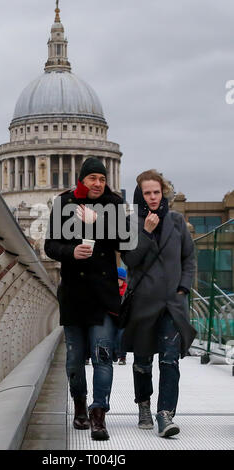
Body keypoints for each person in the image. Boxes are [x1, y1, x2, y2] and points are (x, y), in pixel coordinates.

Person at [44, 157, 124, 441]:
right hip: (75, 296)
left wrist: (98, 222)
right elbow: (50, 246)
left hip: (103, 297)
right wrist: (71, 253)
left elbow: (123, 241)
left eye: (102, 179)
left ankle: (98, 413)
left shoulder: (114, 204)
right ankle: (79, 405)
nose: (98, 184)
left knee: (103, 356)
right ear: (82, 179)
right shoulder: (63, 204)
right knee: (74, 360)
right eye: (93, 179)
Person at [121, 169, 196, 438]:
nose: (152, 197)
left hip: (172, 304)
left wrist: (183, 289)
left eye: (156, 192)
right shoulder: (130, 223)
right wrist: (146, 232)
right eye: (147, 193)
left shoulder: (177, 222)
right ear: (139, 195)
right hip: (143, 303)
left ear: (162, 192)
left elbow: (188, 259)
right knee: (142, 362)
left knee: (169, 360)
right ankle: (143, 405)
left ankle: (165, 414)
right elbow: (129, 261)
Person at [116, 267, 128, 365]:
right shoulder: (111, 290)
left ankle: (122, 356)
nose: (118, 281)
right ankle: (114, 354)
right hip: (113, 318)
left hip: (123, 319)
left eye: (120, 279)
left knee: (121, 336)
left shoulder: (126, 291)